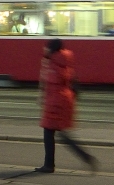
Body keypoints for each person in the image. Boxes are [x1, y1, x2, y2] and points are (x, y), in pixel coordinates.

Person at [35, 38, 97, 173]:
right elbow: (72, 81)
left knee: (51, 132)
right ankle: (84, 158)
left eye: (47, 47)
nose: (44, 49)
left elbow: (49, 83)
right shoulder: (64, 61)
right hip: (64, 100)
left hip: (56, 102)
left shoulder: (53, 64)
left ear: (52, 49)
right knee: (57, 133)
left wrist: (43, 97)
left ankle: (50, 165)